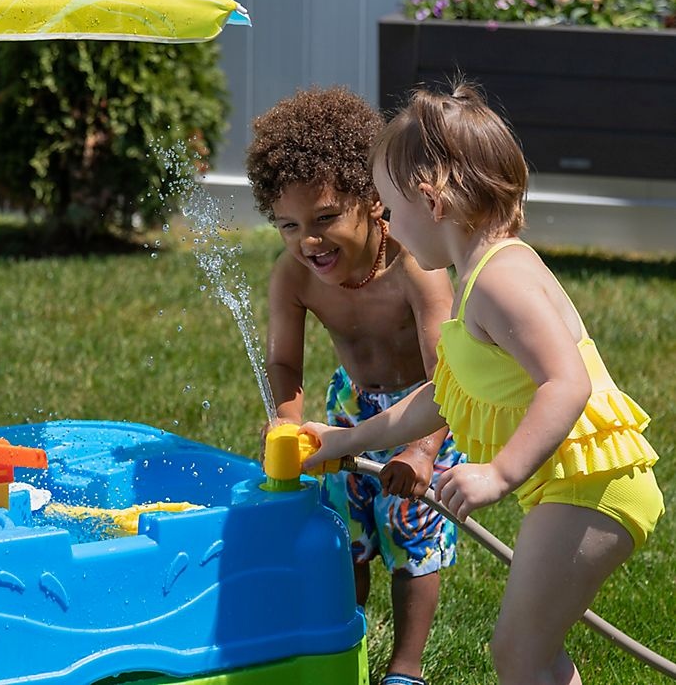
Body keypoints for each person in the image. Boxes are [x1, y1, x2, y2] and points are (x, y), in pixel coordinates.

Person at [301, 82, 665, 685]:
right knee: (531, 653)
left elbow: (566, 382)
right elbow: (439, 397)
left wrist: (499, 473)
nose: (386, 227)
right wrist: (343, 441)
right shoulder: (474, 280)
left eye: (390, 208)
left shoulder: (502, 277)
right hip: (574, 486)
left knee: (518, 654)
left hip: (594, 486)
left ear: (432, 201)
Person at [246, 86, 465, 685]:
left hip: (431, 407)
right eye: (289, 225)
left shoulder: (413, 265)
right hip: (352, 402)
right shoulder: (293, 276)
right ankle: (343, 640)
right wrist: (288, 421)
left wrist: (420, 450)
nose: (307, 242)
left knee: (409, 530)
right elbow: (285, 364)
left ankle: (406, 668)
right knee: (345, 529)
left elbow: (451, 375)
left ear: (372, 200)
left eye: (324, 219)